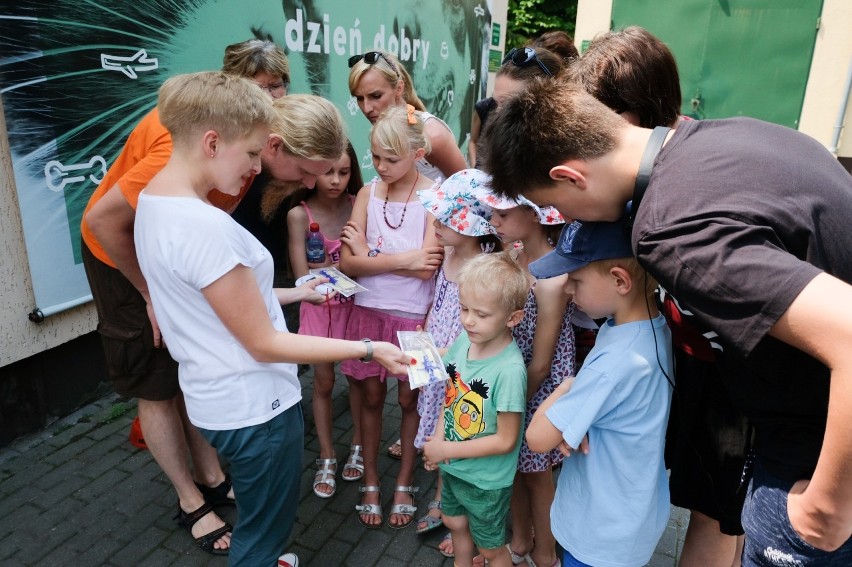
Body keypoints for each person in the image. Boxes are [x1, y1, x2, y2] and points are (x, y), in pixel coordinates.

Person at [481, 78, 852, 563]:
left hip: (817, 469)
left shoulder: (666, 227)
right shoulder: (720, 135)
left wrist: (825, 510)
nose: (563, 220)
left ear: (570, 176)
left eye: (555, 207)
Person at [132, 71, 410, 566]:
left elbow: (221, 302)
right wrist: (369, 350)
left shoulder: (156, 201)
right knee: (262, 536)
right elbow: (263, 343)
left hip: (214, 397)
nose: (259, 166)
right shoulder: (206, 228)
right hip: (254, 408)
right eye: (254, 152)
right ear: (213, 142)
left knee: (261, 525)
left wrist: (293, 291)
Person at [80, 38, 300, 557]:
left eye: (279, 89)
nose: (272, 102)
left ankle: (210, 471)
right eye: (262, 89)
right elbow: (104, 220)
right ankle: (189, 500)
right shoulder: (174, 143)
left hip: (162, 249)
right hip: (120, 255)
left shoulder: (233, 138)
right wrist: (150, 293)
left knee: (189, 365)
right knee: (156, 381)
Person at [569, 26, 751, 566]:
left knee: (715, 509)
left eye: (591, 127)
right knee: (680, 483)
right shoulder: (647, 168)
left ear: (628, 117)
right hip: (682, 352)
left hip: (735, 373)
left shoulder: (697, 181)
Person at [526, 218, 674, 567]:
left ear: (620, 280)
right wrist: (583, 416)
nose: (566, 289)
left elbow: (538, 437)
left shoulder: (616, 363)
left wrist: (566, 387)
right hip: (628, 515)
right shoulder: (650, 327)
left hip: (597, 531)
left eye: (575, 280)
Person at [338, 104, 443, 529]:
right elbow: (348, 265)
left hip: (416, 319)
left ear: (418, 155)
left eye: (390, 159)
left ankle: (403, 481)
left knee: (410, 399)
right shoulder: (367, 194)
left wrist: (371, 255)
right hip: (368, 310)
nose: (380, 167)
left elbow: (429, 265)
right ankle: (371, 481)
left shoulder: (432, 195)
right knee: (370, 396)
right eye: (375, 156)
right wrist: (403, 259)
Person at [482, 190, 573, 567]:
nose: (494, 222)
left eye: (502, 214)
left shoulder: (554, 271)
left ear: (534, 215)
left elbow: (542, 362)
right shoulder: (511, 258)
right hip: (511, 381)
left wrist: (513, 402)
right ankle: (520, 538)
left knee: (537, 474)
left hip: (536, 386)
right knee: (511, 467)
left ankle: (546, 550)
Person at [413, 169, 502, 543]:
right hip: (435, 363)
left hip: (462, 369)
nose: (436, 223)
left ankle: (462, 511)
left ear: (470, 225)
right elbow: (440, 301)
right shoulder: (447, 253)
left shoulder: (482, 266)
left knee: (461, 432)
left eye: (446, 217)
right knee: (438, 429)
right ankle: (441, 496)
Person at [422, 251, 528, 567]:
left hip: (485, 481)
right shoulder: (464, 341)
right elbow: (450, 396)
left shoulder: (509, 370)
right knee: (455, 524)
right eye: (464, 308)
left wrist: (445, 448)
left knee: (492, 549)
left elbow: (506, 440)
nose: (468, 320)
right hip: (454, 467)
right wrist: (438, 445)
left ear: (513, 318)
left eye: (481, 314)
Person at [286, 142, 363, 498]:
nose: (335, 180)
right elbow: (301, 276)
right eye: (327, 172)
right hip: (318, 309)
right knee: (324, 382)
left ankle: (360, 446)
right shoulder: (299, 215)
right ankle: (328, 455)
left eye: (343, 172)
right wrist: (324, 279)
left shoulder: (358, 205)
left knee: (360, 379)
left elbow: (367, 261)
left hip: (356, 308)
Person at [348, 50, 467, 183]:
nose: (366, 108)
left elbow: (467, 189)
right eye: (359, 98)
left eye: (376, 96)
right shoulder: (381, 129)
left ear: (399, 88)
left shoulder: (432, 134)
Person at [468, 46, 564, 167]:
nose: (497, 113)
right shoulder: (496, 137)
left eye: (507, 104)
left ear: (548, 100)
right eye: (496, 102)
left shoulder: (566, 152)